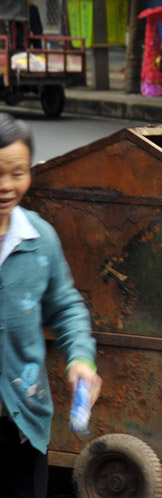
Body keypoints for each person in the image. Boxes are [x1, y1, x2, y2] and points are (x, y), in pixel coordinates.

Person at [0, 113, 102, 498]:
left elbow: (65, 307)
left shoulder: (39, 237)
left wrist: (80, 359)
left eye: (17, 173)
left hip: (23, 422)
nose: (6, 186)